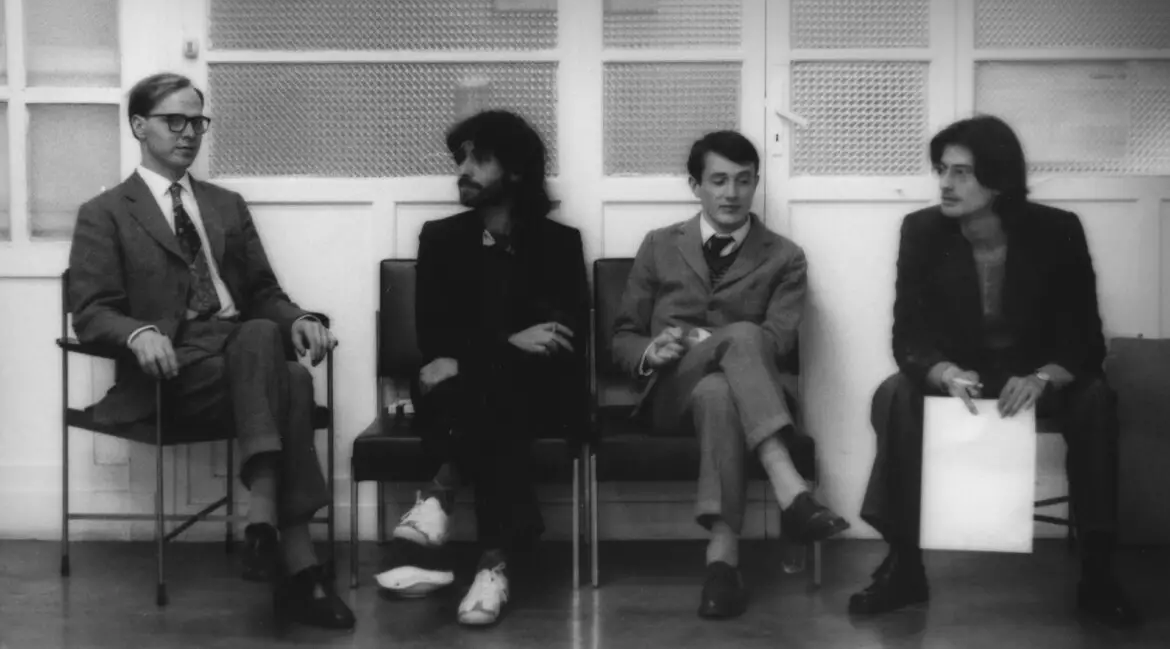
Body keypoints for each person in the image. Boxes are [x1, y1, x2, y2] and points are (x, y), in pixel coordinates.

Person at [68, 73, 354, 630]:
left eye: (197, 121)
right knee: (290, 377)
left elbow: (264, 293)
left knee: (266, 339)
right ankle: (294, 559)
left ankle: (272, 534)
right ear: (139, 126)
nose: (189, 133)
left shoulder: (226, 205)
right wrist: (137, 333)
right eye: (173, 120)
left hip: (243, 357)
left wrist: (300, 319)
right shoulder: (105, 213)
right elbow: (92, 310)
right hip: (172, 370)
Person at [850, 115, 1140, 629]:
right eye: (942, 170)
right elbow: (908, 336)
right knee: (894, 393)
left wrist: (1043, 378)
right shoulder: (921, 230)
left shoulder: (1057, 230)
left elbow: (1085, 339)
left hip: (1032, 376)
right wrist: (942, 372)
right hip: (962, 377)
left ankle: (1098, 572)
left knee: (1095, 399)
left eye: (961, 172)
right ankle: (903, 566)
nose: (945, 183)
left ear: (999, 178)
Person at [612, 130, 849, 620]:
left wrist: (710, 340)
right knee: (739, 336)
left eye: (743, 180)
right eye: (718, 181)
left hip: (735, 398)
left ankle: (722, 563)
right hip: (670, 394)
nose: (731, 193)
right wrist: (651, 350)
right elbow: (623, 335)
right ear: (695, 185)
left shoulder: (785, 256)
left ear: (756, 183)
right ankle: (790, 488)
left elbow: (777, 343)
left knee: (720, 388)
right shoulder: (659, 245)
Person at [376, 110, 588, 627]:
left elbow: (560, 343)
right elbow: (434, 339)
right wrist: (510, 343)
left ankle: (440, 493)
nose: (463, 170)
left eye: (480, 158)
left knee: (493, 388)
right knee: (492, 396)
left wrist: (472, 356)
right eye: (462, 158)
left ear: (515, 171)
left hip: (534, 393)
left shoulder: (558, 244)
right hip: (465, 396)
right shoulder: (441, 238)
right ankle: (494, 565)